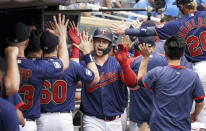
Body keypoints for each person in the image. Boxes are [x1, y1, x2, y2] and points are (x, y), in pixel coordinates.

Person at [111, 0, 206, 124]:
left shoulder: (177, 24)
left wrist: (126, 31)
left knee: (200, 115)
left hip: (199, 68)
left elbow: (148, 31)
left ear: (181, 7)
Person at [6, 14, 69, 131]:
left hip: (4, 120)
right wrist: (62, 37)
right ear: (26, 42)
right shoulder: (37, 66)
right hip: (27, 124)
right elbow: (64, 63)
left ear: (6, 40)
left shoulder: (2, 65)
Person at [135, 36, 205, 130]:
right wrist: (195, 115)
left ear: (165, 54)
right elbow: (200, 102)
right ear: (182, 54)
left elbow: (139, 80)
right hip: (181, 127)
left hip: (158, 127)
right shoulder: (193, 76)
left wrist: (145, 58)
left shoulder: (157, 73)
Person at [37, 28, 100, 131]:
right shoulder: (71, 66)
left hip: (41, 117)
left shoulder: (34, 65)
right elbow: (95, 78)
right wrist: (87, 53)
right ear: (57, 47)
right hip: (63, 118)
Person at [80, 27, 137, 131]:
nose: (101, 44)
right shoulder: (85, 64)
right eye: (98, 41)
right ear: (93, 43)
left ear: (110, 45)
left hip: (115, 120)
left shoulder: (117, 63)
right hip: (92, 119)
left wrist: (125, 65)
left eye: (104, 42)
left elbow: (132, 83)